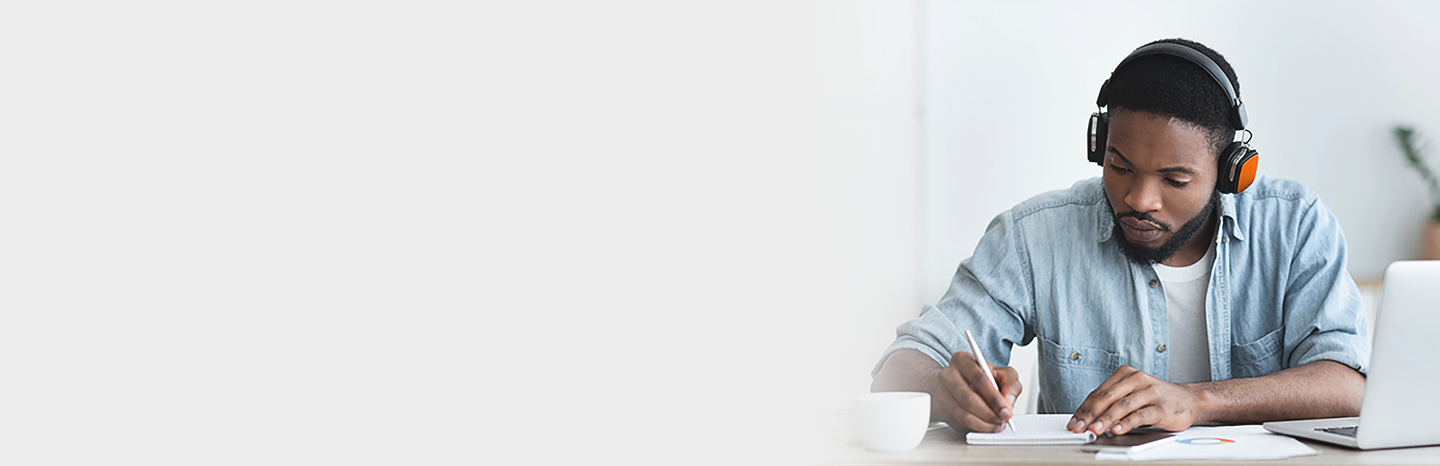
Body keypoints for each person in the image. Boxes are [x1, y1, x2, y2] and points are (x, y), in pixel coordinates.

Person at [869, 38, 1371, 437]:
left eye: (1174, 179)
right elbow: (899, 367)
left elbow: (1347, 386)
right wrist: (943, 389)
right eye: (1120, 166)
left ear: (1229, 172)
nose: (1139, 199)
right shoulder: (1034, 235)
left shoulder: (1294, 226)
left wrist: (1196, 401)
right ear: (1099, 146)